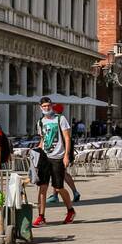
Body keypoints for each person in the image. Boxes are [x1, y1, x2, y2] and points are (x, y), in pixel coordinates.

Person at [33, 97, 75, 227]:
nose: (46, 108)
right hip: (45, 157)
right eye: (44, 106)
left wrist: (66, 156)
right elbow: (43, 139)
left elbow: (67, 138)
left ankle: (70, 210)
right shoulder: (40, 122)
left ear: (52, 106)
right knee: (42, 187)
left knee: (58, 187)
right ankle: (41, 216)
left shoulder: (60, 119)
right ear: (40, 107)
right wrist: (36, 152)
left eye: (48, 105)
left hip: (58, 157)